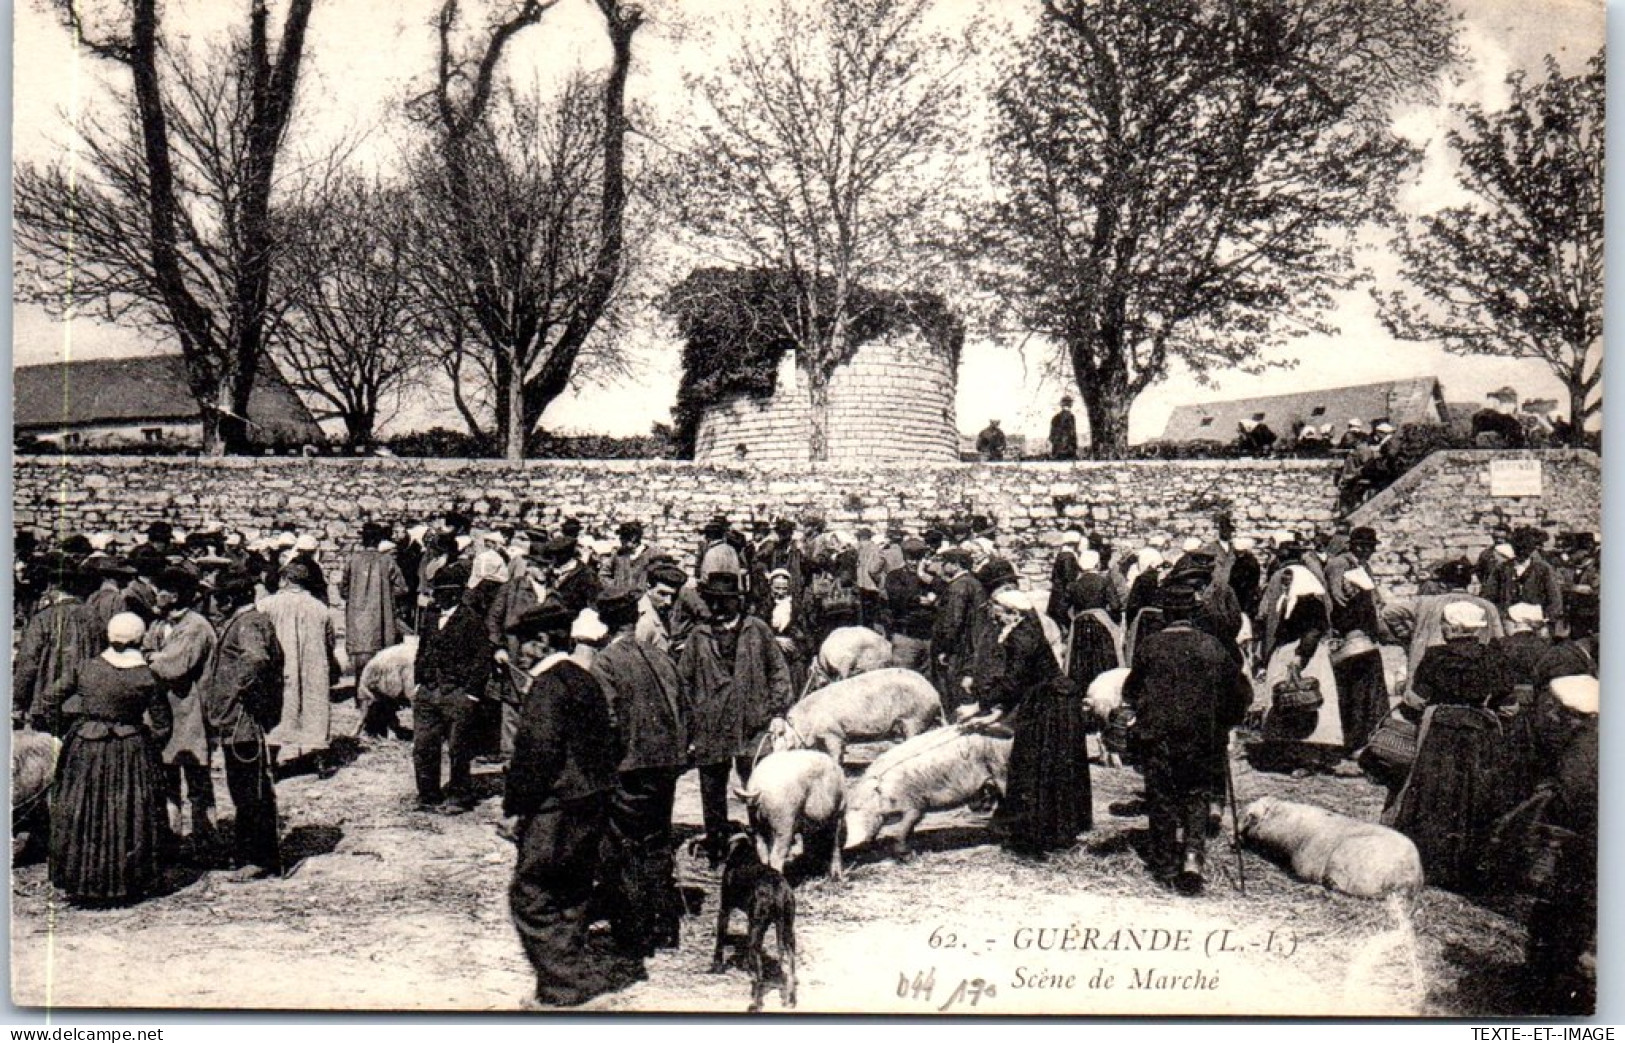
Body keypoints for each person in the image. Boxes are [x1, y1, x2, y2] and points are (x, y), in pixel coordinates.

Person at [505, 599, 641, 1008]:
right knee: (572, 889)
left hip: (556, 805)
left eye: (528, 643)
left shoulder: (546, 686)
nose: (522, 651)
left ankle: (565, 988)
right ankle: (572, 973)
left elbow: (537, 753)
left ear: (544, 641)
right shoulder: (584, 679)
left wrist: (517, 805)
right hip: (591, 801)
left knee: (531, 895)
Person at [1122, 586, 1252, 894]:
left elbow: (1130, 691)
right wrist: (1225, 721)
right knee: (1196, 794)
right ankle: (1192, 858)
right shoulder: (1212, 646)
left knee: (1162, 796)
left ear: (1166, 614)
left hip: (1158, 736)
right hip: (1201, 737)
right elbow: (1241, 693)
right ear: (1194, 614)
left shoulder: (1150, 646)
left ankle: (1165, 862)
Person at [1383, 601, 1517, 893]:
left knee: (1434, 791)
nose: (1442, 628)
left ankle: (1430, 861)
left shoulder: (1435, 657)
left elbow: (1417, 700)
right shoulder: (1494, 657)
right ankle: (1468, 867)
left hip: (1440, 731)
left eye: (1445, 624)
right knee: (1474, 795)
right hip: (1479, 734)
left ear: (1455, 628)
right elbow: (1509, 705)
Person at [589, 588, 691, 960]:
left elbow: (607, 722)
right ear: (634, 618)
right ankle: (666, 927)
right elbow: (686, 708)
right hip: (666, 767)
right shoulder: (662, 657)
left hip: (629, 768)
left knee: (623, 849)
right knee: (658, 841)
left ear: (604, 623)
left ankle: (635, 935)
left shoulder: (605, 662)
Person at [48, 613, 173, 905]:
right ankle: (128, 881)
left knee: (82, 808)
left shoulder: (86, 667)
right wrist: (146, 746)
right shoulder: (146, 676)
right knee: (128, 812)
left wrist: (72, 727)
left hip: (86, 746)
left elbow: (49, 698)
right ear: (140, 639)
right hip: (130, 749)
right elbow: (163, 723)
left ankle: (82, 880)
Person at [960, 590, 1091, 857]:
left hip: (1052, 706)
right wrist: (997, 710)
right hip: (1047, 702)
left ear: (1012, 613)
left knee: (1039, 765)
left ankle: (1042, 835)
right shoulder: (1021, 632)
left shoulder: (1020, 639)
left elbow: (1012, 682)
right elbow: (1019, 683)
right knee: (1047, 767)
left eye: (996, 608)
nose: (993, 612)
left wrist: (980, 705)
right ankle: (1053, 831)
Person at [678, 572, 793, 859]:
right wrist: (690, 724)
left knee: (759, 787)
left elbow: (779, 672)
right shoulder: (699, 635)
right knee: (712, 789)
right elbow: (684, 681)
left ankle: (762, 845)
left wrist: (778, 712)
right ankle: (717, 845)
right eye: (712, 601)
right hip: (711, 724)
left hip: (752, 722)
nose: (716, 608)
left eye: (723, 602)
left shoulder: (757, 630)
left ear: (737, 602)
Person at [202, 570, 285, 881]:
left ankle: (257, 859)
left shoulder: (248, 623)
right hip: (239, 718)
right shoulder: (248, 620)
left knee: (250, 791)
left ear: (228, 599)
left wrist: (234, 692)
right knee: (246, 789)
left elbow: (256, 659)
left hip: (242, 720)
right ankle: (251, 854)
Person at [144, 567, 220, 856]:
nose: (155, 595)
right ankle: (171, 835)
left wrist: (149, 657)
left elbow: (172, 666)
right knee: (167, 776)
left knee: (196, 776)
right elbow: (151, 650)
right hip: (167, 711)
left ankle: (205, 837)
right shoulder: (162, 623)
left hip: (190, 712)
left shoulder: (195, 627)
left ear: (174, 595)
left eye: (159, 590)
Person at [413, 561, 490, 813]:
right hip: (429, 690)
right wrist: (418, 682)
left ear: (456, 593)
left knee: (458, 748)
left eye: (442, 592)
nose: (437, 597)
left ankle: (459, 795)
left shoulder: (472, 621)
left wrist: (471, 694)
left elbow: (481, 660)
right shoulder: (431, 617)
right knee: (424, 745)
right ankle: (428, 794)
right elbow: (422, 650)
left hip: (456, 693)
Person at [258, 560, 341, 777]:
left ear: (285, 580)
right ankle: (320, 760)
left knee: (280, 708)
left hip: (280, 667)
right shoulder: (320, 608)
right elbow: (329, 640)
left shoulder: (267, 605)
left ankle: (271, 761)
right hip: (313, 667)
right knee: (315, 708)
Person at [13, 556, 101, 734]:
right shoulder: (95, 617)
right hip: (85, 702)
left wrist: (18, 700)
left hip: (46, 703)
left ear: (52, 587)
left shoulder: (43, 619)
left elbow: (28, 664)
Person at [1324, 527, 1390, 754]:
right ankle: (1351, 741)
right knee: (1353, 691)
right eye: (1366, 547)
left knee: (1366, 691)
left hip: (1365, 633)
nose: (1369, 552)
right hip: (1350, 633)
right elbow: (1339, 599)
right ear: (1356, 546)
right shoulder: (1340, 564)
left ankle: (1364, 738)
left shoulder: (1362, 566)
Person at [340, 521, 409, 690]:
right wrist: (385, 594)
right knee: (382, 658)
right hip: (382, 617)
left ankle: (360, 692)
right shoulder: (387, 561)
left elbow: (343, 589)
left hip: (357, 618)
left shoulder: (352, 560)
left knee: (360, 659)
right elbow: (402, 588)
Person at [1492, 527, 1564, 626]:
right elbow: (1489, 596)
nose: (1522, 553)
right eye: (1518, 549)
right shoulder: (1502, 569)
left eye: (1526, 549)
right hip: (1508, 623)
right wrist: (1503, 616)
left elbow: (1555, 601)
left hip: (1536, 624)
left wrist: (1544, 620)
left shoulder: (1543, 570)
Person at [885, 539, 937, 673]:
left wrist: (922, 575)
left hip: (929, 637)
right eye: (910, 559)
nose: (914, 563)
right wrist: (918, 599)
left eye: (918, 559)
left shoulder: (930, 577)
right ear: (904, 558)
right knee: (903, 676)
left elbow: (943, 591)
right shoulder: (895, 576)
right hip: (906, 637)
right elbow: (898, 597)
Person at [636, 563, 688, 655]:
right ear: (648, 588)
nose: (668, 601)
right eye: (662, 594)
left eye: (673, 596)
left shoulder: (659, 611)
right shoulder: (643, 621)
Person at [608, 521, 662, 594]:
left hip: (644, 600)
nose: (620, 539)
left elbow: (661, 577)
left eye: (623, 537)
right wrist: (613, 588)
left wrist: (651, 591)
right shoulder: (618, 555)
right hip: (620, 600)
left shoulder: (653, 554)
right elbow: (604, 573)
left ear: (633, 537)